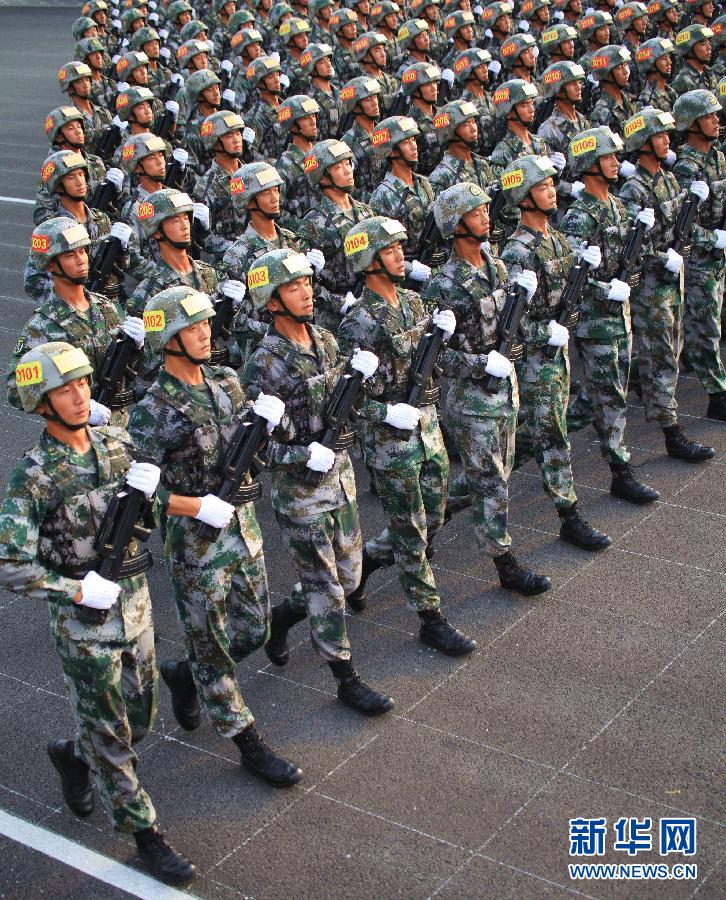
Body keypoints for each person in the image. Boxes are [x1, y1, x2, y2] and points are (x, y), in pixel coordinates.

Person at [0, 341, 195, 886]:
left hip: (135, 604)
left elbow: (147, 511)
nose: (80, 395)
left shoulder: (114, 443)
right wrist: (74, 591)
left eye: (83, 383)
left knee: (140, 717)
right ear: (41, 403)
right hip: (84, 624)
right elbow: (10, 563)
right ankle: (145, 832)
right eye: (64, 390)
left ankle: (73, 754)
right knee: (111, 733)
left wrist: (154, 494)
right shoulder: (33, 476)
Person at [128, 286, 303, 785]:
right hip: (196, 544)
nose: (206, 332)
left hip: (243, 529)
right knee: (211, 646)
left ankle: (188, 674)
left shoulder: (226, 381)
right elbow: (138, 495)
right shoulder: (151, 410)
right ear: (168, 339)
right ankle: (245, 738)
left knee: (255, 630)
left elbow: (254, 447)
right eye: (193, 327)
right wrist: (194, 505)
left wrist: (271, 425)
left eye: (206, 323)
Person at [241, 249, 395, 714]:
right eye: (293, 287)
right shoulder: (262, 366)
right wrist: (300, 453)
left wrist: (365, 386)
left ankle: (283, 618)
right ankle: (346, 679)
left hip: (340, 480)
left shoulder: (325, 341)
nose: (307, 292)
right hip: (301, 494)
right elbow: (253, 450)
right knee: (327, 588)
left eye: (307, 283)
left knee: (348, 577)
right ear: (271, 301)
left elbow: (344, 405)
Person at [338, 216, 478, 655]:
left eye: (400, 246)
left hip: (428, 430)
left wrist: (449, 341)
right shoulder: (358, 323)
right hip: (390, 444)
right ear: (369, 261)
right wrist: (385, 412)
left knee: (432, 517)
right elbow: (344, 402)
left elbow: (435, 362)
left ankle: (365, 565)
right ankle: (430, 618)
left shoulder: (415, 304)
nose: (401, 254)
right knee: (412, 530)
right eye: (390, 249)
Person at [422, 183, 552, 594]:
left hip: (505, 392)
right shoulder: (443, 285)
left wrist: (528, 305)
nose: (486, 216)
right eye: (476, 212)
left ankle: (410, 532)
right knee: (492, 483)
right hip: (472, 402)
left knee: (495, 476)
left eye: (485, 209)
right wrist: (480, 364)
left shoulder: (496, 265)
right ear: (456, 224)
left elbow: (509, 326)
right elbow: (434, 358)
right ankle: (505, 565)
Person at [499, 155, 612, 549]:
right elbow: (508, 324)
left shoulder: (556, 238)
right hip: (534, 362)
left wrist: (591, 277)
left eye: (551, 184)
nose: (552, 191)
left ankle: (457, 495)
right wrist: (542, 331)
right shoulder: (516, 252)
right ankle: (569, 515)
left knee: (532, 438)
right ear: (523, 197)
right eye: (542, 186)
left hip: (556, 355)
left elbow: (568, 292)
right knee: (553, 437)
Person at [562, 126, 661, 502]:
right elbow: (569, 280)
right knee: (609, 398)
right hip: (595, 323)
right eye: (608, 157)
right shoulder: (579, 217)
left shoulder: (617, 206)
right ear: (590, 164)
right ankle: (620, 472)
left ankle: (542, 437)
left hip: (619, 318)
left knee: (604, 396)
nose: (616, 162)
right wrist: (606, 290)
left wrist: (645, 235)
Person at [617, 107, 715, 460]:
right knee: (662, 359)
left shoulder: (668, 179)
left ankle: (642, 387)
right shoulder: (633, 190)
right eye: (659, 136)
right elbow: (628, 248)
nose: (666, 141)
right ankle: (672, 433)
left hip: (674, 282)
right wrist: (661, 257)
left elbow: (679, 229)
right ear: (644, 143)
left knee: (670, 351)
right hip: (651, 287)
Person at [8, 219, 142, 428]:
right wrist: (77, 406)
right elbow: (16, 389)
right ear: (50, 264)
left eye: (82, 251)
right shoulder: (41, 327)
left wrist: (139, 347)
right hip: (78, 433)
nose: (81, 260)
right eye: (70, 255)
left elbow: (137, 369)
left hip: (119, 430)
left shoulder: (106, 308)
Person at [671, 89, 726, 420]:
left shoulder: (718, 158)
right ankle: (717, 395)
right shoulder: (686, 168)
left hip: (719, 257)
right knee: (705, 328)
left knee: (710, 323)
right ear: (692, 123)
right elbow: (679, 226)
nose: (716, 120)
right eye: (709, 116)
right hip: (698, 260)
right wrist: (712, 238)